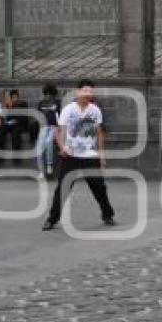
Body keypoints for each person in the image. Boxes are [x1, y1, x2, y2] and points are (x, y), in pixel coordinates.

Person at [42, 79, 116, 231]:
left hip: (90, 155)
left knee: (99, 188)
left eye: (90, 91)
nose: (88, 94)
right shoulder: (68, 110)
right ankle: (52, 219)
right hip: (71, 156)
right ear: (78, 92)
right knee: (63, 189)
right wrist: (62, 147)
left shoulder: (95, 110)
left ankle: (107, 214)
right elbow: (59, 131)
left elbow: (99, 133)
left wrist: (101, 156)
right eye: (85, 91)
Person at [35, 83, 61, 178]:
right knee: (40, 146)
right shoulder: (41, 103)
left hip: (54, 127)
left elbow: (60, 116)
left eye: (49, 94)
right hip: (43, 127)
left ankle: (49, 164)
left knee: (48, 142)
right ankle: (41, 171)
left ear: (53, 94)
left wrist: (59, 128)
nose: (47, 96)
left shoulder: (57, 103)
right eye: (46, 94)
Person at [3, 89, 29, 155]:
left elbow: (23, 118)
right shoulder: (9, 105)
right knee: (1, 130)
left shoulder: (23, 104)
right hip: (12, 125)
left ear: (18, 97)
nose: (15, 99)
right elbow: (8, 119)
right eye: (13, 97)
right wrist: (9, 107)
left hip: (21, 125)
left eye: (16, 97)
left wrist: (12, 108)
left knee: (15, 132)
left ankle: (16, 153)